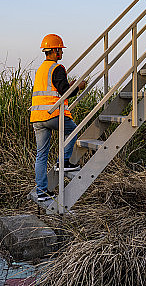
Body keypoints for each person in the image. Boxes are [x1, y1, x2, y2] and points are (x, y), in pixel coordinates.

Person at [30, 33, 87, 201]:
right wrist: (78, 86)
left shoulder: (41, 69)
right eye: (60, 50)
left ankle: (42, 193)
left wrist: (68, 86)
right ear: (54, 51)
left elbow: (54, 88)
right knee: (73, 129)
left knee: (41, 155)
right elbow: (64, 91)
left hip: (37, 116)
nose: (61, 53)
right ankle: (63, 162)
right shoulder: (57, 68)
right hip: (52, 113)